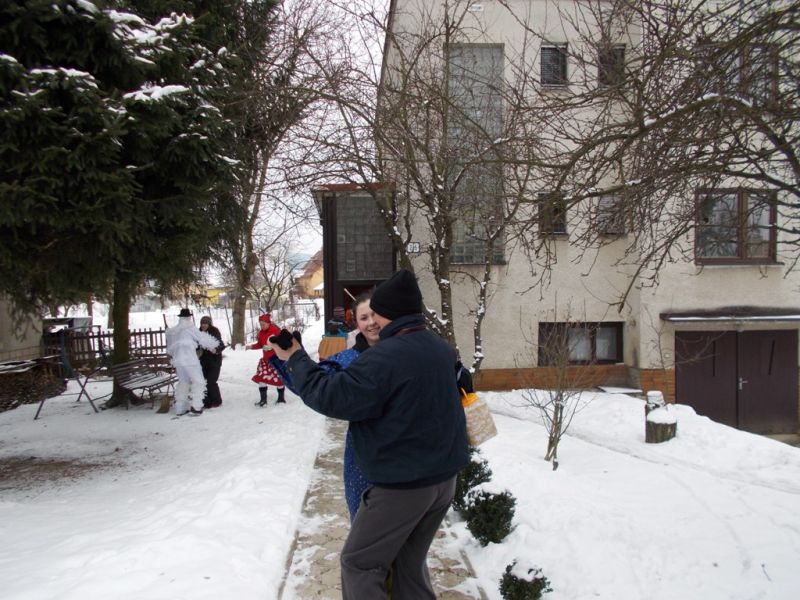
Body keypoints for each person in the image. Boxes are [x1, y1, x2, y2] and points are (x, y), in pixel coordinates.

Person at [271, 269, 469, 600]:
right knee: (408, 565)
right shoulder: (440, 348)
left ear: (389, 311)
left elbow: (329, 396)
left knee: (359, 564)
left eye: (375, 312)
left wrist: (294, 357)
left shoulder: (384, 358)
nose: (372, 320)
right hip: (443, 480)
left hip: (403, 486)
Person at [270, 291, 380, 521]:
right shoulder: (349, 359)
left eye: (374, 315)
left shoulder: (405, 351)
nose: (371, 322)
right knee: (365, 524)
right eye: (364, 317)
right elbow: (315, 386)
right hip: (364, 455)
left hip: (407, 456)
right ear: (356, 324)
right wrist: (294, 358)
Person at [165, 308, 220, 417]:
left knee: (183, 382)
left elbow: (169, 348)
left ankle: (180, 408)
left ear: (180, 317)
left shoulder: (173, 331)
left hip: (178, 361)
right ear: (189, 317)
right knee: (199, 381)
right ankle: (196, 406)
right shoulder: (189, 327)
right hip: (190, 360)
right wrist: (213, 346)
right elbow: (202, 338)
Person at [247, 312, 285, 406]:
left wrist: (273, 347)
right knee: (261, 378)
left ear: (268, 323)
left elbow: (283, 343)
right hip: (266, 360)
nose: (262, 326)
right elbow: (260, 344)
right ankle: (263, 400)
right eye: (260, 324)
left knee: (279, 379)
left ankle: (281, 399)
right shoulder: (261, 333)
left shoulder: (276, 331)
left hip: (277, 360)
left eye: (263, 324)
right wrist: (251, 347)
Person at [198, 315, 225, 409]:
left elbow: (221, 345)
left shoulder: (214, 331)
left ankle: (216, 401)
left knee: (211, 381)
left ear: (209, 324)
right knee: (204, 381)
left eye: (205, 323)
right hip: (203, 361)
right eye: (202, 323)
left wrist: (216, 350)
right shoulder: (198, 333)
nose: (203, 325)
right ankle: (207, 402)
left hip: (214, 361)